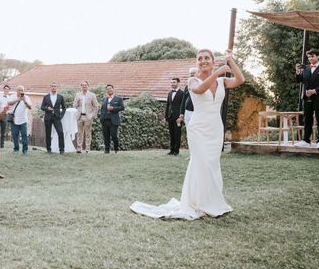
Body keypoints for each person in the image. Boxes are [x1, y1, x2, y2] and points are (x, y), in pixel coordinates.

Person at [131, 49, 245, 220]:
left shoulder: (222, 82)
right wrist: (219, 71)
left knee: (212, 164)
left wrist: (231, 60)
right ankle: (198, 203)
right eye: (200, 58)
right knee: (201, 163)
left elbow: (240, 79)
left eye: (207, 58)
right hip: (198, 129)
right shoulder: (193, 80)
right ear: (197, 62)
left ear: (213, 61)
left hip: (215, 128)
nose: (203, 61)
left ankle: (212, 202)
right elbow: (200, 89)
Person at [295, 49, 319, 149]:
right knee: (307, 119)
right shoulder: (306, 68)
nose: (310, 58)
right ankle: (306, 140)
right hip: (306, 98)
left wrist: (315, 91)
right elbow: (300, 80)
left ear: (318, 56)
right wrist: (298, 72)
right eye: (309, 57)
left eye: (312, 56)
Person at [40, 82, 67, 154]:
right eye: (52, 86)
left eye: (55, 86)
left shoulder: (60, 97)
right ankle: (48, 149)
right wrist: (47, 108)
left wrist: (61, 116)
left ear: (56, 87)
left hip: (57, 118)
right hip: (48, 117)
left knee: (60, 132)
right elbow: (42, 107)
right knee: (48, 133)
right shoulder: (46, 97)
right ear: (50, 87)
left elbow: (64, 108)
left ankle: (62, 150)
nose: (53, 87)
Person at [73, 81, 99, 153]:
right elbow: (74, 106)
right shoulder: (78, 95)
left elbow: (96, 106)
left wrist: (93, 115)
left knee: (88, 133)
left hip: (88, 117)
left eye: (85, 85)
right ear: (81, 86)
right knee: (79, 133)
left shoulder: (92, 95)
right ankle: (79, 148)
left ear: (88, 86)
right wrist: (77, 102)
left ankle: (87, 148)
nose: (84, 86)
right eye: (83, 85)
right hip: (79, 116)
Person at [6, 85, 32, 155]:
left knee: (24, 135)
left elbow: (30, 107)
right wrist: (18, 99)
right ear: (16, 91)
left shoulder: (26, 97)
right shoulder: (12, 96)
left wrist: (24, 101)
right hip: (14, 120)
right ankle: (16, 149)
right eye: (19, 90)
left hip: (23, 120)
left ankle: (25, 150)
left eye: (22, 90)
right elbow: (9, 103)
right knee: (15, 135)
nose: (21, 92)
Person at [99, 84, 124, 154]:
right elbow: (102, 109)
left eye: (110, 88)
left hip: (114, 120)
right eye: (107, 89)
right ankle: (107, 150)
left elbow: (122, 107)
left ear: (113, 89)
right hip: (105, 120)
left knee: (114, 135)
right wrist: (101, 118)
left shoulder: (118, 98)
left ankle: (116, 149)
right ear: (106, 90)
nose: (109, 90)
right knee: (106, 136)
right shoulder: (104, 99)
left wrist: (113, 108)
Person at [165, 77, 184, 155]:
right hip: (170, 117)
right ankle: (171, 150)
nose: (172, 84)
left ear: (178, 83)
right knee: (171, 134)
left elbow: (183, 105)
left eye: (174, 82)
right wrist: (165, 116)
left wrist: (181, 117)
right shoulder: (169, 93)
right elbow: (167, 105)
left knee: (177, 134)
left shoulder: (182, 93)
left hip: (178, 118)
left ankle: (176, 151)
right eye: (171, 82)